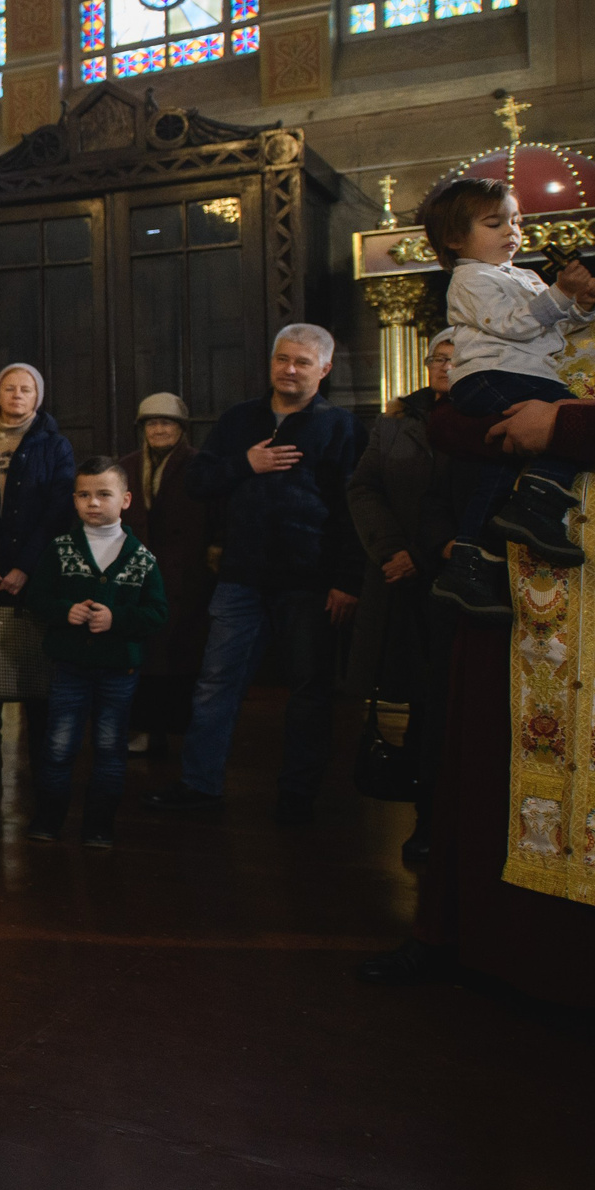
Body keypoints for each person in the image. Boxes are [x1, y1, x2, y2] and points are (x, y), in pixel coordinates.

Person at [367, 171, 595, 1015]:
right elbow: (457, 421)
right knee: (493, 765)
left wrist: (567, 427)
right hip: (535, 593)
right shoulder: (575, 329)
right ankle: (487, 949)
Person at [148, 326, 362, 826]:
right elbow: (198, 482)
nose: (289, 369)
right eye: (282, 359)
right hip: (242, 576)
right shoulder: (239, 420)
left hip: (309, 582)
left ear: (324, 370)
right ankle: (199, 783)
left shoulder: (341, 428)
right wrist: (246, 463)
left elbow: (354, 511)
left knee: (309, 691)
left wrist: (348, 581)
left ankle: (297, 796)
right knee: (215, 683)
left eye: (302, 362)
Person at [413, 177, 595, 621]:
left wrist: (582, 305)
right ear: (454, 238)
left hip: (514, 373)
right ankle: (537, 503)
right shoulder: (470, 278)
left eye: (516, 221)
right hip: (489, 375)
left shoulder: (522, 275)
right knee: (567, 414)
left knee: (499, 467)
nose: (511, 231)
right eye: (494, 222)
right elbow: (517, 325)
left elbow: (554, 330)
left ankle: (466, 565)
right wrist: (561, 292)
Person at [345, 329, 457, 868]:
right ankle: (417, 813)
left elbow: (469, 500)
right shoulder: (393, 423)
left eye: (455, 359)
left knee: (446, 702)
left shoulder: (485, 420)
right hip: (395, 580)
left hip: (453, 580)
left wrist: (424, 553)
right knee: (410, 695)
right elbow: (363, 487)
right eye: (437, 358)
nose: (443, 367)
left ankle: (442, 821)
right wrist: (391, 550)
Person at [19, 458, 167, 848]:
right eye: (84, 495)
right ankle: (49, 818)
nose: (93, 503)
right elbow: (38, 598)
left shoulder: (140, 557)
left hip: (118, 671)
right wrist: (64, 611)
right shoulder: (61, 549)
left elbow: (157, 613)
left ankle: (99, 825)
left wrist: (117, 619)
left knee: (109, 747)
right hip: (69, 666)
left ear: (126, 499)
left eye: (104, 494)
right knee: (58, 744)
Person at [0, 361, 75, 767]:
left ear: (38, 397)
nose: (17, 395)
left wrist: (24, 566)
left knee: (34, 666)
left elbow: (57, 512)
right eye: (9, 388)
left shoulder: (54, 446)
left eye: (26, 389)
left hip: (32, 571)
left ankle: (39, 759)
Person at [115, 393, 209, 764]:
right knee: (143, 658)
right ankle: (143, 731)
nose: (158, 428)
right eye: (151, 423)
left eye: (166, 422)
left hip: (186, 577)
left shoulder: (199, 466)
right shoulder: (127, 466)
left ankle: (179, 734)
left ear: (181, 428)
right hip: (138, 577)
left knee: (183, 658)